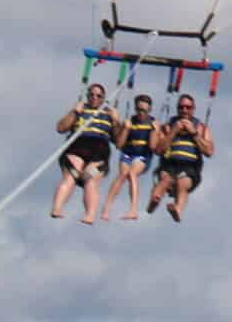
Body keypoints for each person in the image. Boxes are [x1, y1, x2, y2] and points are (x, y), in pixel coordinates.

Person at [51, 83, 117, 223]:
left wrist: (117, 121)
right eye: (91, 95)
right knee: (71, 176)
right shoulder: (80, 110)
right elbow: (60, 127)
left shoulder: (108, 114)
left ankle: (90, 215)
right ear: (87, 96)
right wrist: (75, 112)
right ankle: (57, 207)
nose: (94, 98)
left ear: (103, 98)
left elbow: (119, 141)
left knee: (91, 181)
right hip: (78, 145)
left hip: (99, 149)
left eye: (98, 96)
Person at [148, 93, 213, 223]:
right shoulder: (168, 126)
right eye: (181, 107)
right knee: (165, 180)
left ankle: (177, 209)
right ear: (177, 108)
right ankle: (154, 200)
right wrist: (173, 132)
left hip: (190, 167)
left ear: (193, 109)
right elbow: (158, 150)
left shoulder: (200, 127)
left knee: (182, 184)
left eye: (188, 107)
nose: (184, 110)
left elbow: (209, 151)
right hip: (169, 164)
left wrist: (193, 133)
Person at [104, 93, 160, 222]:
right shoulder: (129, 121)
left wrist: (154, 132)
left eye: (144, 111)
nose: (141, 113)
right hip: (128, 152)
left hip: (143, 155)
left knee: (132, 174)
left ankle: (133, 210)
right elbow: (119, 145)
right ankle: (106, 208)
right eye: (139, 110)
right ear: (135, 108)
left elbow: (153, 147)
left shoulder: (154, 123)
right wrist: (125, 129)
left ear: (149, 110)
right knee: (122, 174)